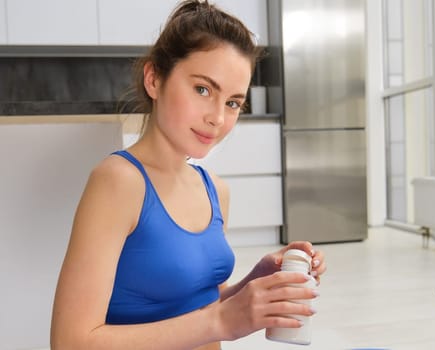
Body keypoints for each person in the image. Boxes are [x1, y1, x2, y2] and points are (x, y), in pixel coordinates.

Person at [50, 1, 327, 349]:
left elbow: (198, 308)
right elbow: (70, 342)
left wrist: (253, 284)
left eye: (233, 103)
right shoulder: (119, 181)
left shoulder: (215, 191)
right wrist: (221, 320)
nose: (217, 117)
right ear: (155, 79)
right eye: (203, 89)